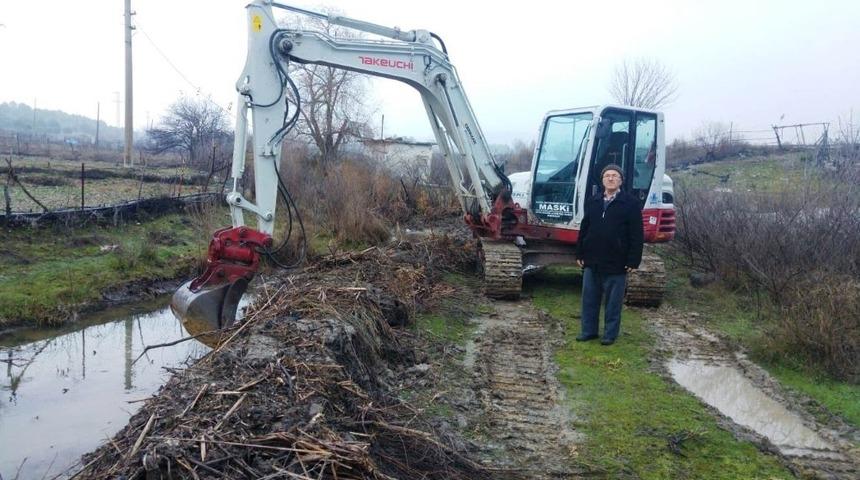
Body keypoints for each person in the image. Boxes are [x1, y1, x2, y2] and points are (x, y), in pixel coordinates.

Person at [575, 164, 644, 346]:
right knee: (589, 299)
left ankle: (609, 335)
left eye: (614, 175)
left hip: (616, 262)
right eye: (607, 176)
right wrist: (580, 252)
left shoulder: (630, 203)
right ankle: (588, 331)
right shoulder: (593, 201)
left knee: (613, 303)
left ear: (620, 180)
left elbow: (637, 234)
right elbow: (585, 228)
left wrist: (633, 259)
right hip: (592, 260)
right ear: (603, 180)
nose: (611, 178)